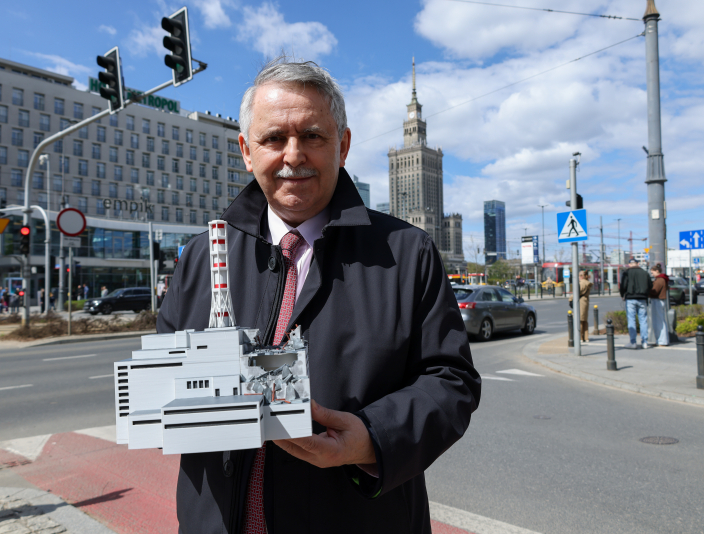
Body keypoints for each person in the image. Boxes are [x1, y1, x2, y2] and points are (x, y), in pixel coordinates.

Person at [157, 58, 480, 534]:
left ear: (343, 146)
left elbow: (452, 382)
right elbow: (168, 371)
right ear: (247, 151)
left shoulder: (407, 253)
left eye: (312, 136)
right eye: (273, 139)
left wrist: (371, 437)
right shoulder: (204, 255)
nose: (293, 155)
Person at [620, 258, 652, 349]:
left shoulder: (626, 273)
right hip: (642, 298)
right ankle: (644, 342)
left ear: (629, 264)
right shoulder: (645, 273)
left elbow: (623, 285)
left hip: (630, 298)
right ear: (638, 264)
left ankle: (633, 342)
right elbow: (650, 285)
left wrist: (622, 295)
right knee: (643, 320)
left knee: (631, 320)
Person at [649, 264, 670, 346]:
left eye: (652, 272)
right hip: (659, 300)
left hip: (658, 300)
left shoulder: (660, 279)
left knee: (659, 321)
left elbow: (654, 291)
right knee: (659, 321)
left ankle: (662, 341)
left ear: (657, 271)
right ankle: (660, 340)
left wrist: (648, 290)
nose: (652, 274)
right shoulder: (661, 279)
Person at [575, 270, 593, 342]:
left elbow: (577, 293)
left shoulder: (582, 283)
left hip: (581, 302)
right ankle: (586, 337)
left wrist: (570, 299)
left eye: (579, 275)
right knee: (584, 320)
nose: (578, 277)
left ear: (582, 276)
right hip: (585, 301)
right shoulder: (587, 283)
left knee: (580, 320)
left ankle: (580, 337)